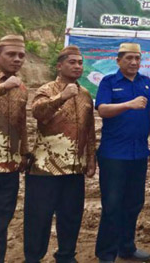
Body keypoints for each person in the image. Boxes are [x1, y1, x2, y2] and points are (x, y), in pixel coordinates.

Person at [24, 45, 96, 263]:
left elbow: (90, 130)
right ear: (59, 66)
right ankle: (33, 258)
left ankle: (66, 255)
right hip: (45, 169)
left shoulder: (85, 95)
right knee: (39, 218)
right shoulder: (46, 89)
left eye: (80, 63)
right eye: (72, 62)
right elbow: (38, 113)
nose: (77, 66)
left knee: (71, 216)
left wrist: (91, 159)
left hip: (74, 168)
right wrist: (61, 97)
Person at [94, 43, 150, 263]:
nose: (133, 62)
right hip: (114, 154)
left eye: (137, 58)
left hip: (138, 153)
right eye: (129, 58)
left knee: (134, 203)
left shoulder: (146, 82)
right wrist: (128, 104)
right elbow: (103, 110)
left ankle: (127, 248)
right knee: (112, 205)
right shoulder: (109, 82)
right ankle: (106, 253)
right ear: (118, 60)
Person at [0, 35, 28, 263]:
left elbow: (22, 124)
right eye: (11, 54)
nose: (17, 59)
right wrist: (0, 88)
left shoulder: (21, 88)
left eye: (21, 55)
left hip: (8, 169)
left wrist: (24, 153)